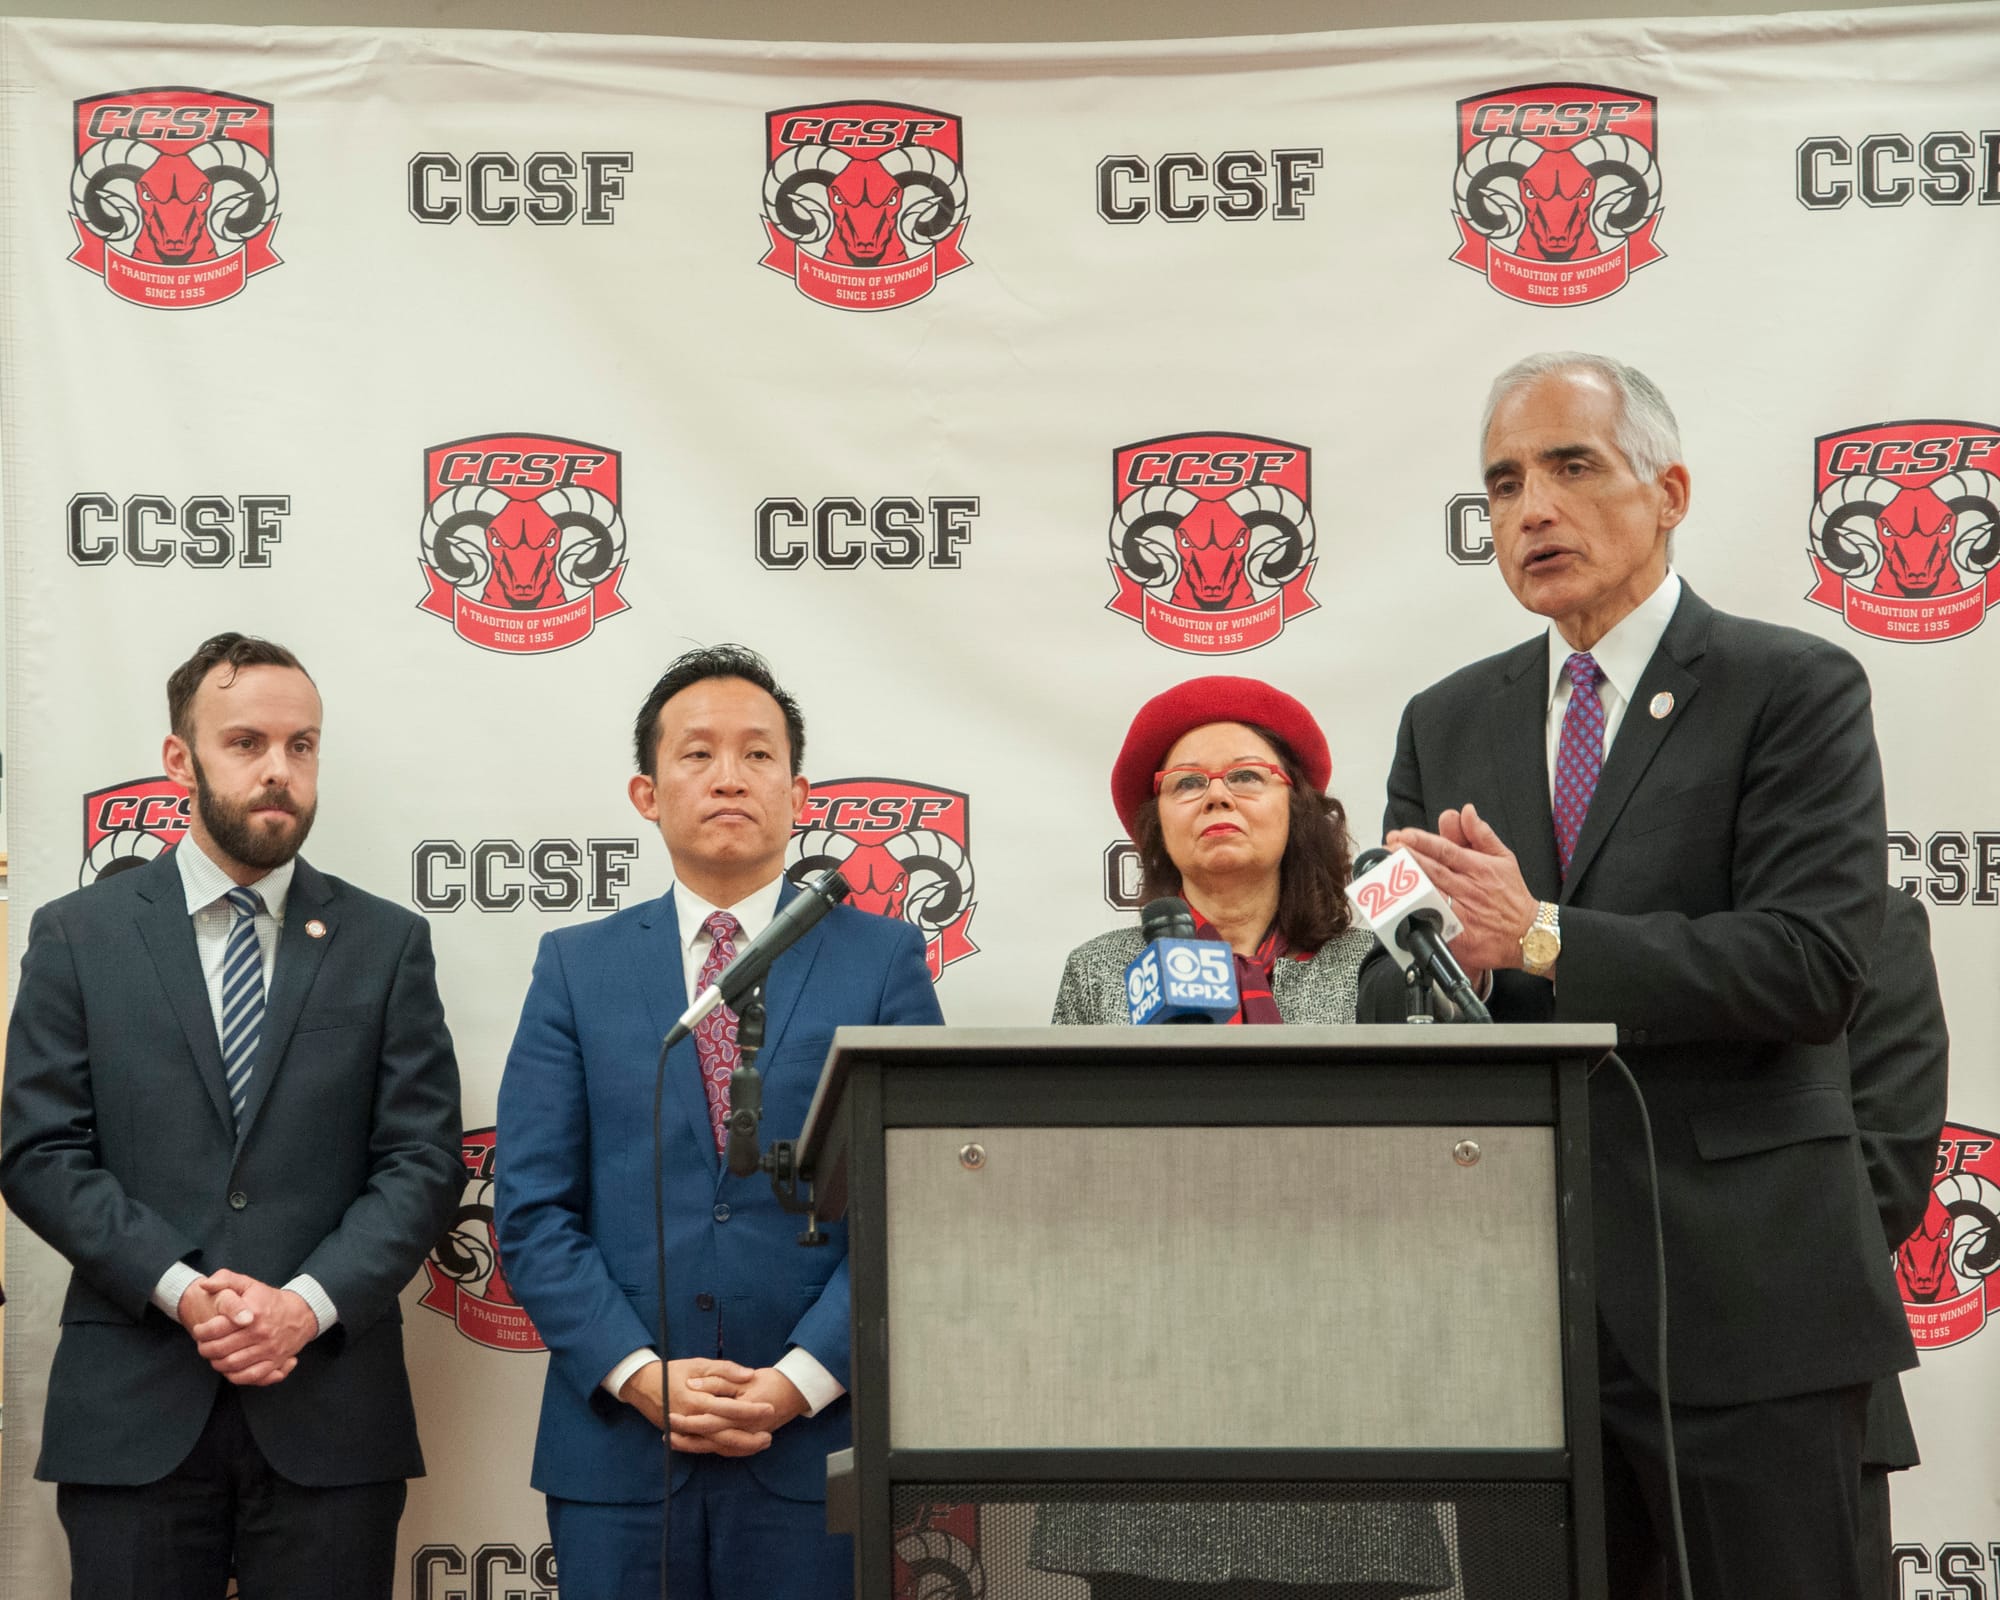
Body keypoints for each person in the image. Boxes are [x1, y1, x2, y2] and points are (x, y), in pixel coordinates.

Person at [1362, 352, 1914, 1598]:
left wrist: (1543, 934)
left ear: (1667, 490)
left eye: (1570, 466)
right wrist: (1442, 969)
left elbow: (1812, 963)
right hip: (1520, 1317)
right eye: (1502, 484)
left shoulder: (1792, 686)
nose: (1531, 509)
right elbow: (1397, 988)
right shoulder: (1441, 721)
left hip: (1749, 1308)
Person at [1, 631, 463, 1600]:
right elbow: (40, 1150)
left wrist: (305, 1306)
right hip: (134, 1409)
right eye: (246, 742)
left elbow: (420, 1160)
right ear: (181, 758)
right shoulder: (79, 935)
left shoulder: (386, 943)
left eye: (302, 746)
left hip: (331, 1409)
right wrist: (181, 1287)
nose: (278, 771)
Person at [494, 643, 943, 1600]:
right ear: (646, 793)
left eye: (758, 754)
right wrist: (639, 1373)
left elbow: (918, 1204)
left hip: (819, 1445)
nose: (729, 776)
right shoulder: (577, 968)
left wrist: (800, 1379)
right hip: (618, 1456)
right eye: (696, 754)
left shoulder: (884, 961)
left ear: (800, 791)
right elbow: (532, 1210)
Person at [1037, 674, 1452, 1599]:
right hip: (1153, 1392)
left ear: (1299, 811)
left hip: (1342, 1387)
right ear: (1157, 825)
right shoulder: (1101, 974)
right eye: (1185, 783)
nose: (1215, 795)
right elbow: (1058, 1179)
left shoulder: (1383, 963)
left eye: (1244, 777)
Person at [1847, 887, 1949, 1600]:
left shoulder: (1874, 923)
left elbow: (1889, 1171)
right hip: (1575, 1405)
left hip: (1813, 1398)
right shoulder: (1578, 929)